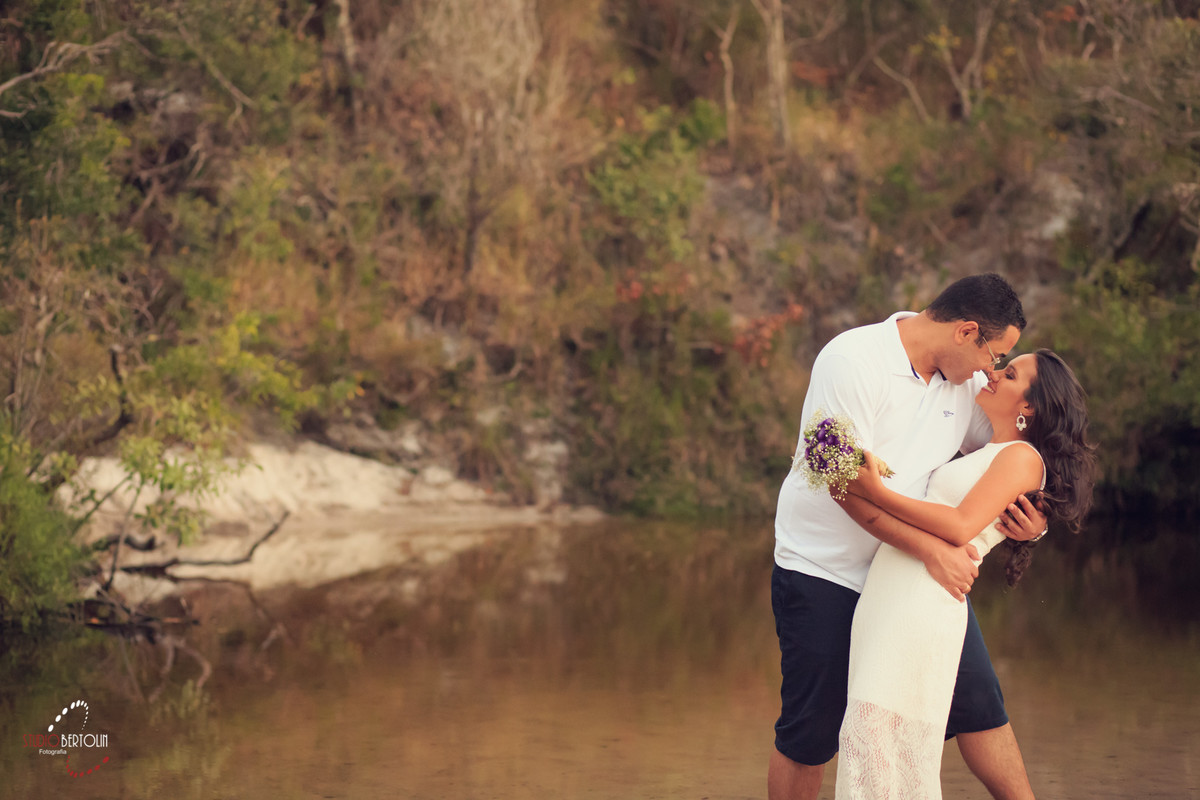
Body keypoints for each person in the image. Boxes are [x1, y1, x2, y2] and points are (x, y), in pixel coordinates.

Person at [769, 273, 1049, 800]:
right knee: (810, 733)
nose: (994, 373)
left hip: (911, 584)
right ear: (967, 332)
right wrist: (931, 550)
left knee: (979, 706)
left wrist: (1033, 524)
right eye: (996, 356)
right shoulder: (852, 361)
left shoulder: (967, 386)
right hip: (824, 570)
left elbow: (1014, 457)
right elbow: (840, 481)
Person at [835, 349, 1096, 799]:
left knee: (879, 736)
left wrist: (874, 491)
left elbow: (959, 526)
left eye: (1009, 373)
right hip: (891, 590)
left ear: (1029, 406)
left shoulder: (1023, 458)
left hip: (923, 599)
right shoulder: (989, 449)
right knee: (872, 735)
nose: (993, 374)